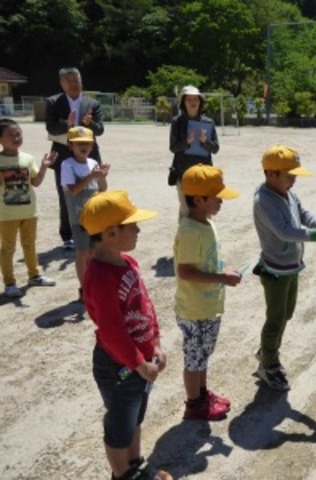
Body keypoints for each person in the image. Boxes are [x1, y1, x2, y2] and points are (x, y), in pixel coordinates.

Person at [80, 190, 171, 480]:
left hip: (140, 360)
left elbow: (145, 304)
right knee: (120, 422)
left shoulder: (128, 262)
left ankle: (136, 464)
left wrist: (155, 342)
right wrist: (139, 364)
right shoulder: (99, 275)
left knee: (135, 416)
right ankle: (122, 474)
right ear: (110, 233)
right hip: (118, 365)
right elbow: (112, 332)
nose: (138, 230)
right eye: (132, 225)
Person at [253, 145, 316, 391]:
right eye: (289, 175)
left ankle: (266, 351)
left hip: (291, 267)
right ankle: (268, 364)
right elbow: (285, 232)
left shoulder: (287, 193)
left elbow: (302, 213)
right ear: (271, 174)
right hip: (276, 271)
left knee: (286, 314)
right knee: (275, 319)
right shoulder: (264, 200)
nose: (294, 180)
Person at [174, 164, 242, 421]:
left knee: (202, 354)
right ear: (199, 200)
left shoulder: (206, 222)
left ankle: (202, 394)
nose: (222, 201)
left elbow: (207, 261)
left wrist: (223, 272)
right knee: (194, 358)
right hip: (194, 309)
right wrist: (221, 278)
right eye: (217, 197)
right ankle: (194, 404)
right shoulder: (190, 230)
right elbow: (186, 272)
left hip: (207, 306)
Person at [45, 67, 104, 250]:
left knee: (93, 193)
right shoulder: (54, 102)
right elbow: (51, 128)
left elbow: (100, 129)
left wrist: (89, 123)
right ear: (62, 83)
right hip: (63, 154)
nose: (74, 83)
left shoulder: (92, 103)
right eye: (69, 80)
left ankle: (95, 228)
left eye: (76, 79)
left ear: (81, 81)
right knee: (66, 195)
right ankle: (68, 235)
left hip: (89, 155)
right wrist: (67, 124)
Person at [0, 118, 57, 297]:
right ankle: (9, 283)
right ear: (0, 139)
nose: (16, 138)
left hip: (29, 211)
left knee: (30, 245)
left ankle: (35, 275)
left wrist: (44, 168)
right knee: (7, 248)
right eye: (11, 135)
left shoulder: (27, 158)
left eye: (19, 134)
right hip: (6, 214)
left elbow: (35, 182)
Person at [60, 126, 110, 302]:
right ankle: (84, 288)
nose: (83, 146)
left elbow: (103, 189)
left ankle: (94, 284)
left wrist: (102, 176)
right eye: (78, 143)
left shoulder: (93, 163)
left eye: (87, 143)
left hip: (95, 217)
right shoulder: (67, 165)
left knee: (94, 252)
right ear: (70, 146)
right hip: (79, 218)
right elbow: (72, 191)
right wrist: (91, 176)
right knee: (82, 252)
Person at [169, 85, 220, 218]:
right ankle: (185, 237)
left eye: (195, 99)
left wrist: (205, 142)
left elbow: (215, 149)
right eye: (189, 99)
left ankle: (205, 238)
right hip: (184, 174)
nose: (192, 102)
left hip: (204, 174)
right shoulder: (177, 122)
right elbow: (173, 148)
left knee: (205, 210)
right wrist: (187, 141)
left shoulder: (208, 122)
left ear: (200, 102)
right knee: (186, 210)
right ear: (183, 102)